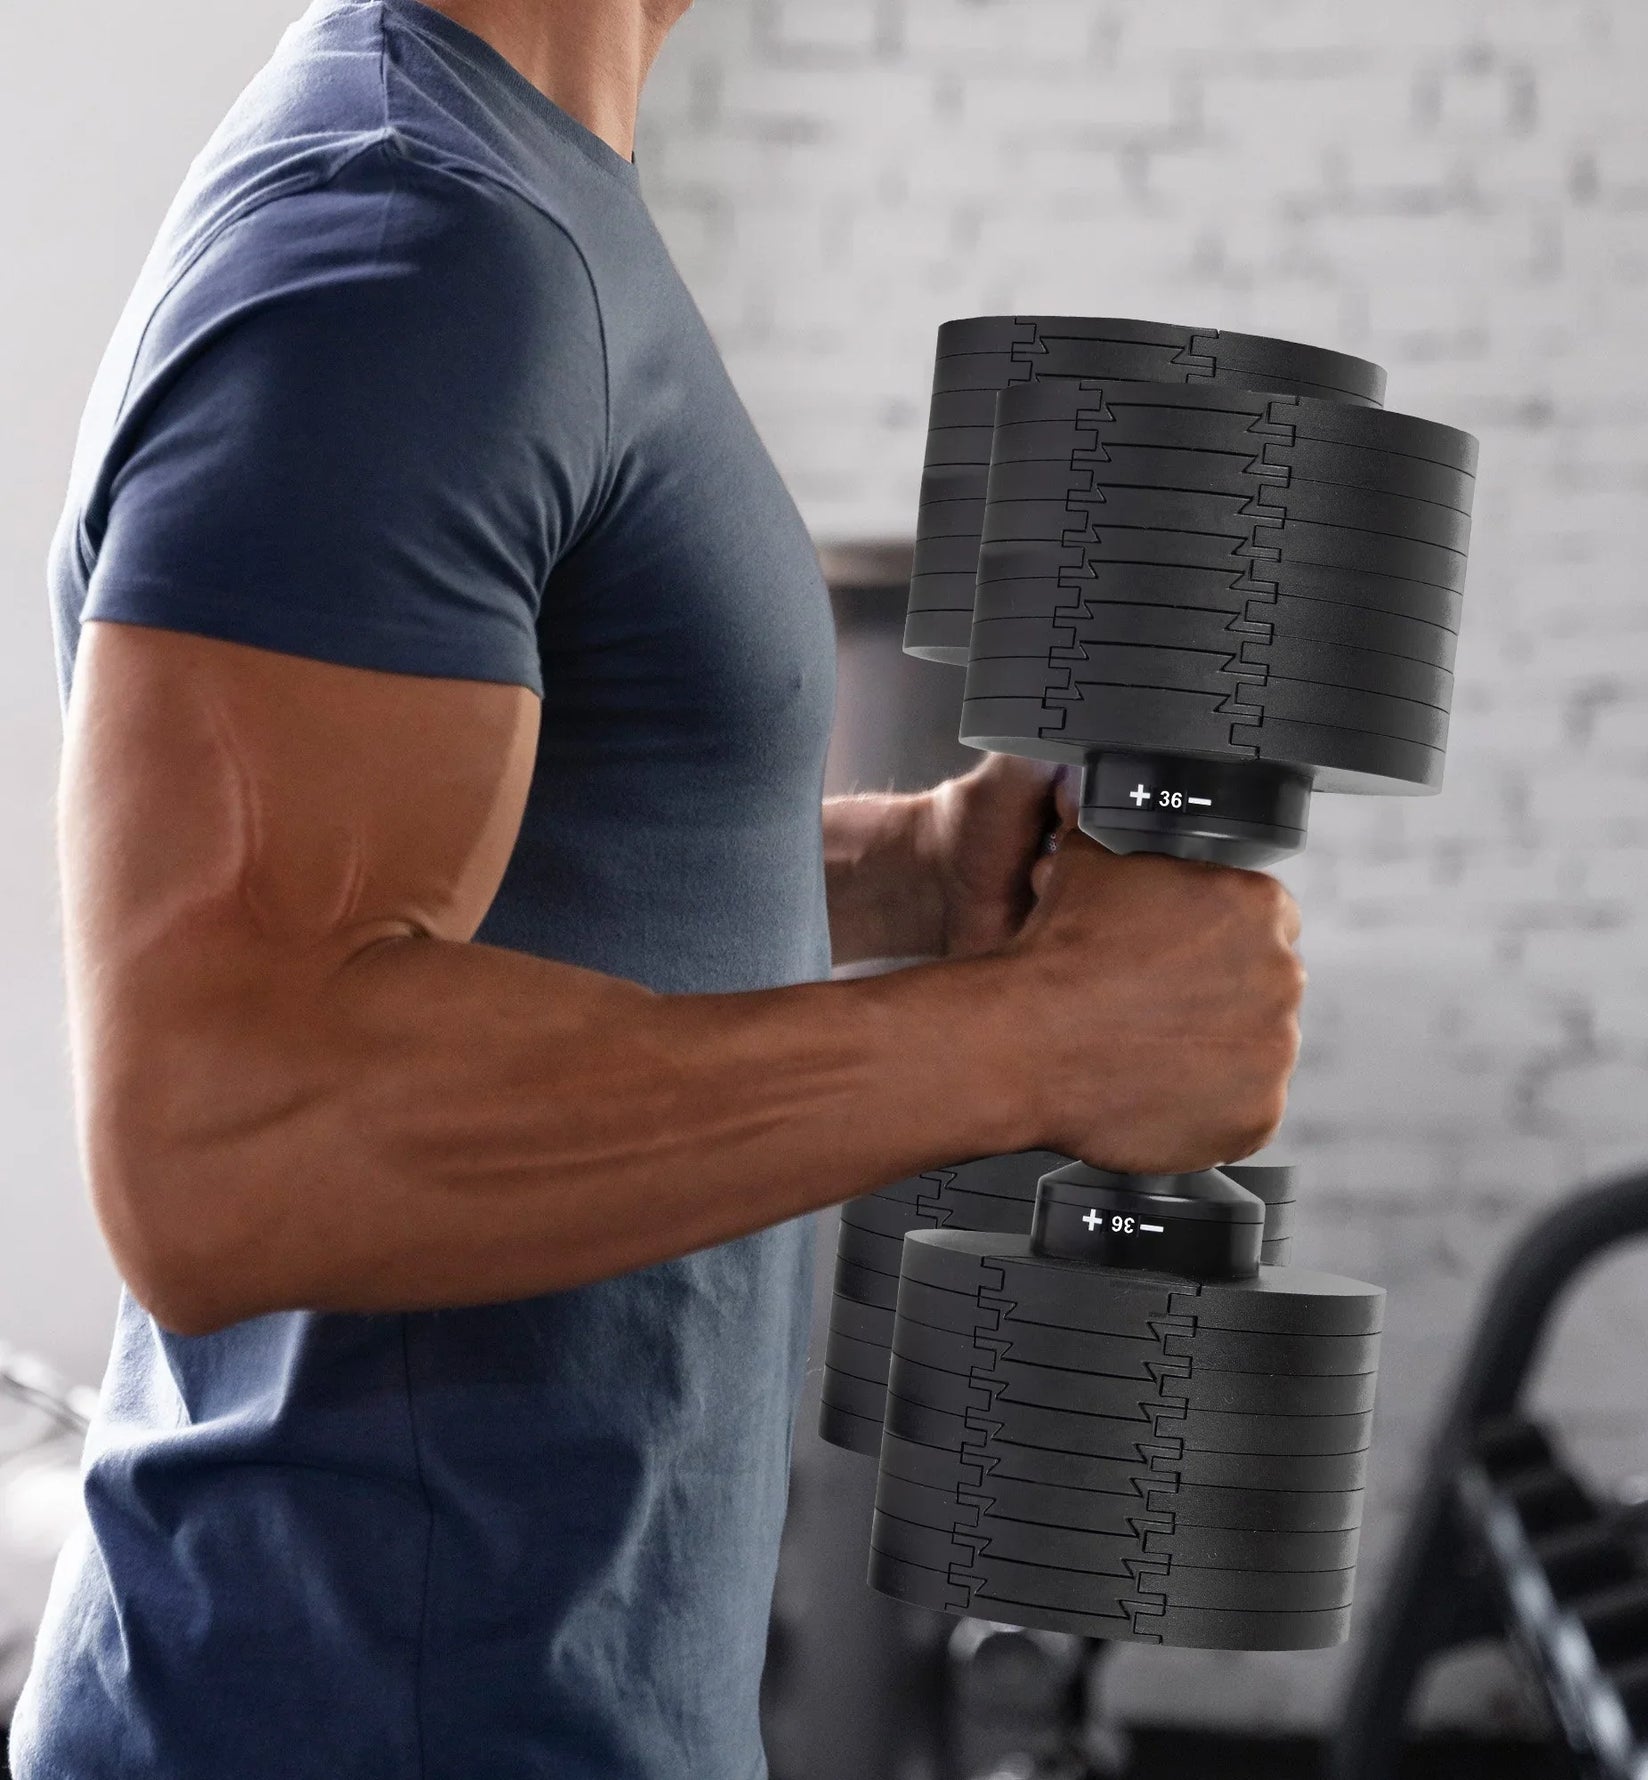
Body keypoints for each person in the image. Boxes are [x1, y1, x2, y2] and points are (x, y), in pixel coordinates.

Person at [13, 0, 1306, 1774]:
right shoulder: (406, 240)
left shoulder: (524, 187)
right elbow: (230, 1131)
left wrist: (906, 877)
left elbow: (509, 874)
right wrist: (1037, 1041)